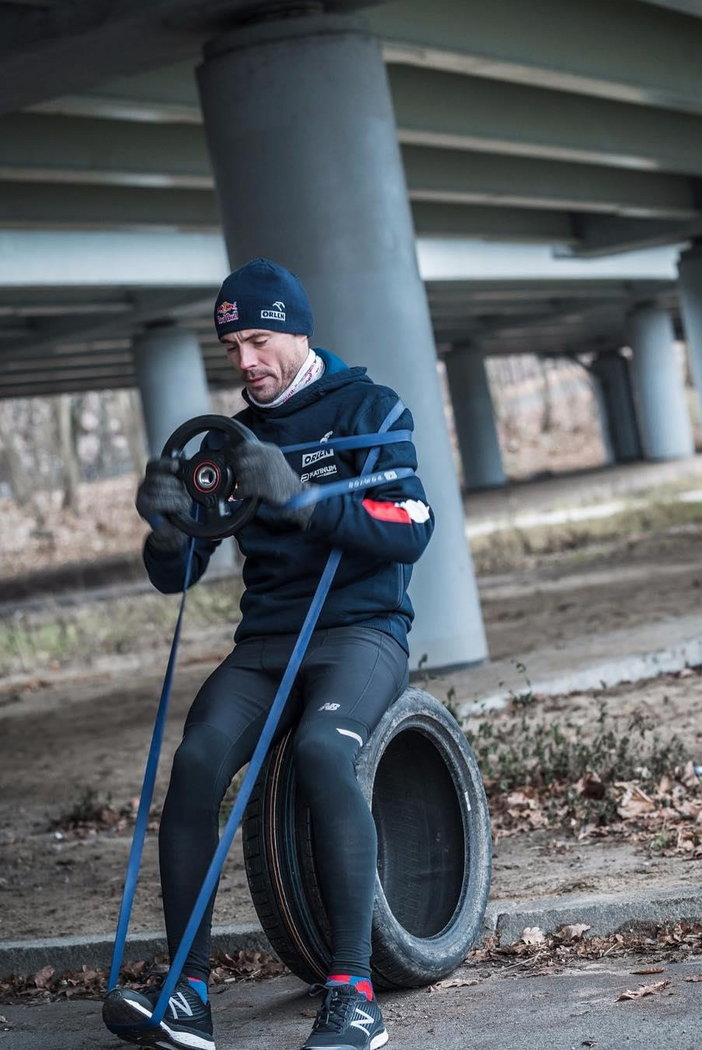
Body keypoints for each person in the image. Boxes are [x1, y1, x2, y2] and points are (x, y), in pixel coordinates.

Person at [102, 258, 434, 1050]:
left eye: (259, 340)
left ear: (297, 329)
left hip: (362, 632)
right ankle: (187, 994)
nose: (247, 362)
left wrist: (305, 498)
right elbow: (175, 576)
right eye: (232, 349)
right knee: (196, 763)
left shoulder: (370, 407)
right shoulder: (229, 440)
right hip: (267, 643)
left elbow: (410, 527)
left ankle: (352, 994)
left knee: (323, 750)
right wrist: (168, 528)